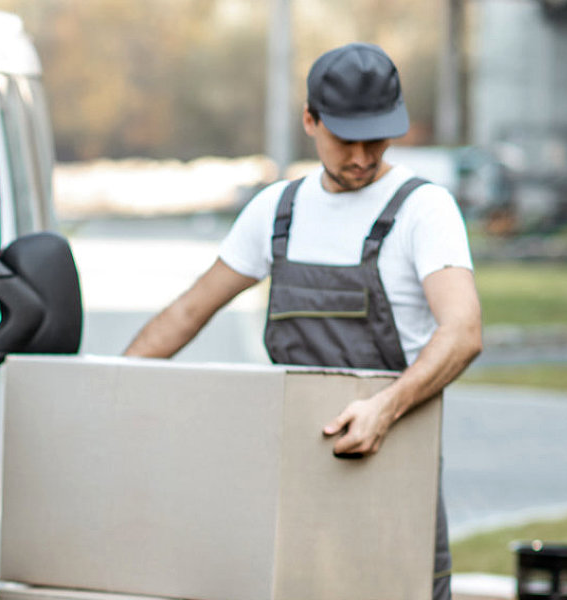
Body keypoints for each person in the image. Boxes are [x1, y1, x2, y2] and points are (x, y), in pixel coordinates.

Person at [123, 43, 480, 600]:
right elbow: (189, 311)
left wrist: (384, 409)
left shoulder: (423, 210)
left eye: (377, 138)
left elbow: (463, 332)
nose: (363, 156)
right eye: (345, 140)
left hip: (395, 469)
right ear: (310, 121)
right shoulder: (276, 210)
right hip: (292, 475)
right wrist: (112, 389)